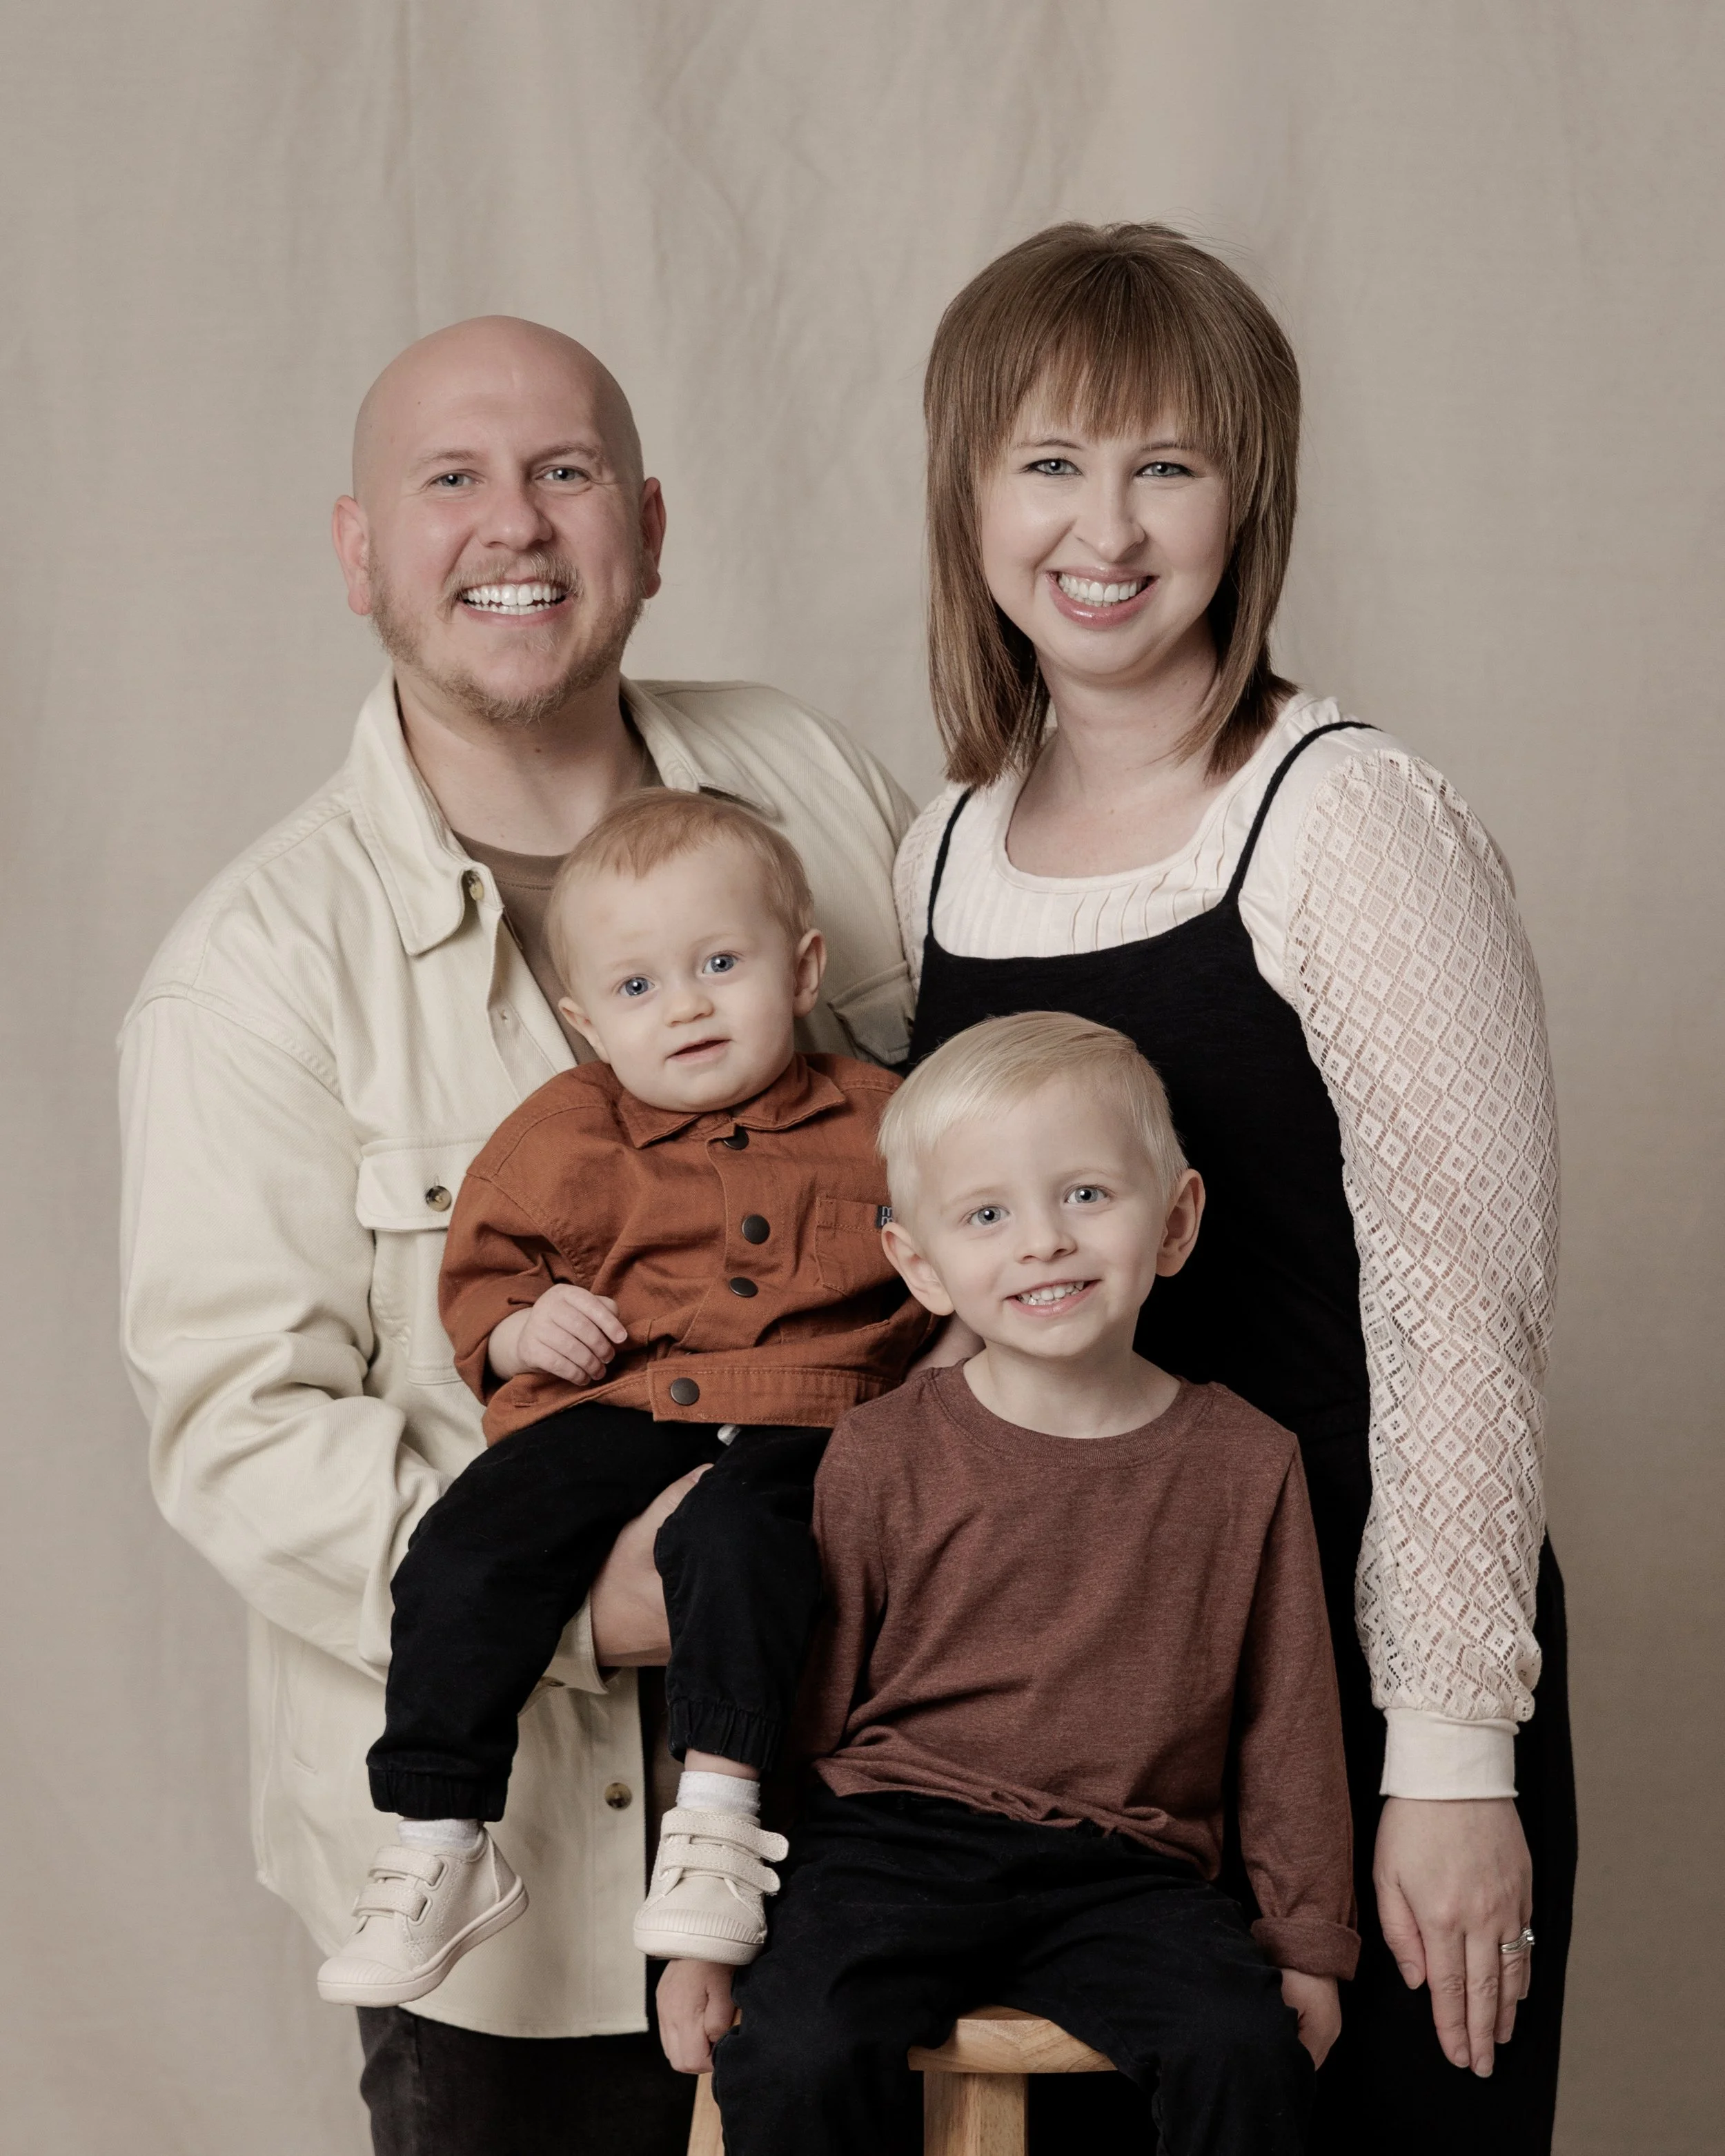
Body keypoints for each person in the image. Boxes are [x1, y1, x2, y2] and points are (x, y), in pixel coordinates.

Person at [118, 316, 918, 2156]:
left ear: (641, 522)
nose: (517, 526)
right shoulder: (251, 975)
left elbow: (983, 1168)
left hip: (871, 1810)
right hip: (527, 1914)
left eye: (563, 472)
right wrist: (585, 1596)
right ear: (356, 552)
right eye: (450, 480)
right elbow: (243, 1430)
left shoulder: (821, 788)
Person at [896, 225, 1572, 2152]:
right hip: (1052, 1720)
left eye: (1163, 465)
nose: (1100, 527)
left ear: (1244, 497)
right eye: (1047, 463)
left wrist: (1446, 1758)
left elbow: (1460, 1306)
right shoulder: (935, 848)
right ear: (965, 493)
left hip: (1349, 1694)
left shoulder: (1341, 812)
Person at [660, 1012, 1360, 2155]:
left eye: (1087, 1194)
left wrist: (1304, 1938)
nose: (1043, 1242)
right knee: (795, 2052)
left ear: (1175, 1220)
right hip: (891, 1839)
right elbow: (798, 1712)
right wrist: (716, 1940)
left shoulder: (1248, 1460)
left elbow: (1289, 1721)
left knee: (1242, 2049)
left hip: (1132, 1870)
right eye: (988, 1215)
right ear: (922, 1267)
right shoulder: (881, 1450)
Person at [316, 790, 933, 2010]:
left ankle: (718, 1819)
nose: (689, 1004)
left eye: (720, 964)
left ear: (803, 967)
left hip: (814, 1412)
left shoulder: (888, 1117)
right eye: (640, 988)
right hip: (617, 1401)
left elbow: (964, 1244)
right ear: (584, 1019)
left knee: (745, 1546)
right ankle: (441, 1833)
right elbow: (485, 1284)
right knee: (467, 1542)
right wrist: (524, 1327)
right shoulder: (559, 1133)